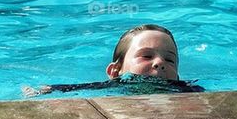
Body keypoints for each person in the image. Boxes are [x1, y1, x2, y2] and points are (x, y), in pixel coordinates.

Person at [23, 24, 203, 96]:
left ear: (178, 74)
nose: (160, 63)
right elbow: (81, 88)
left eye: (170, 60)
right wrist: (48, 90)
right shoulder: (115, 86)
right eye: (146, 56)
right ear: (115, 71)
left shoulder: (187, 90)